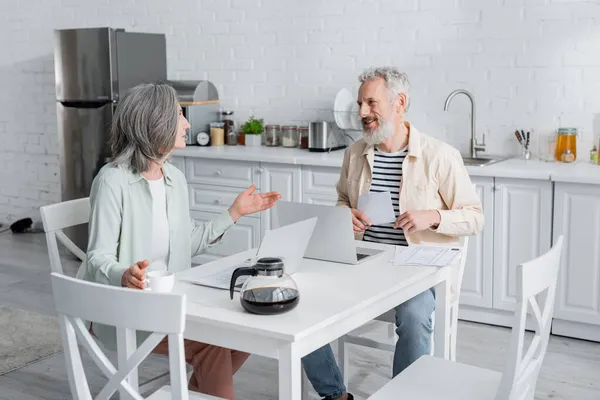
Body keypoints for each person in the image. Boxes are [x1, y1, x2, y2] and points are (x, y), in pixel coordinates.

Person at [84, 82, 281, 399]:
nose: (188, 123)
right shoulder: (112, 180)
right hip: (123, 310)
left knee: (249, 329)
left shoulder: (173, 177)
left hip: (171, 301)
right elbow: (97, 257)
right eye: (179, 114)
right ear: (156, 122)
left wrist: (234, 212)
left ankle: (196, 392)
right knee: (214, 345)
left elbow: (185, 242)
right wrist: (123, 273)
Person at [301, 67, 484, 400]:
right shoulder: (354, 154)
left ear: (399, 103)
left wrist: (433, 216)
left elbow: (474, 218)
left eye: (371, 102)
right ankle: (336, 395)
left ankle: (402, 395)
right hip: (363, 261)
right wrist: (346, 215)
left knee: (414, 317)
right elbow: (342, 200)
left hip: (417, 269)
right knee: (302, 300)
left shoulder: (440, 156)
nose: (361, 112)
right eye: (360, 103)